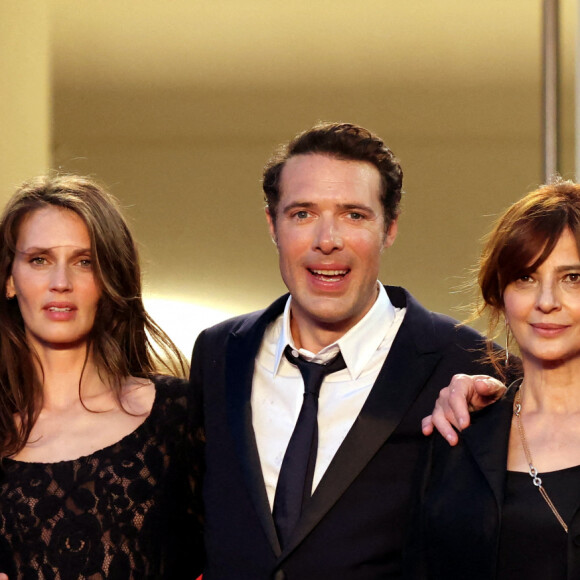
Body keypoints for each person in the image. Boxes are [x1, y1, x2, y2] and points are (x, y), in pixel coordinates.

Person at [190, 122, 500, 579]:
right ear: (272, 225)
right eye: (302, 214)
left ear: (389, 228)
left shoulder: (469, 367)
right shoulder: (218, 354)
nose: (327, 240)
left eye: (354, 214)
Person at [0, 175, 204, 579]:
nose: (61, 283)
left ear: (109, 281)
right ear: (9, 279)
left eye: (84, 261)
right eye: (39, 259)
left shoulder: (178, 416)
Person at [407, 181, 580, 579]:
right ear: (500, 295)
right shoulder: (458, 438)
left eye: (572, 277)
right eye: (525, 277)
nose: (547, 300)